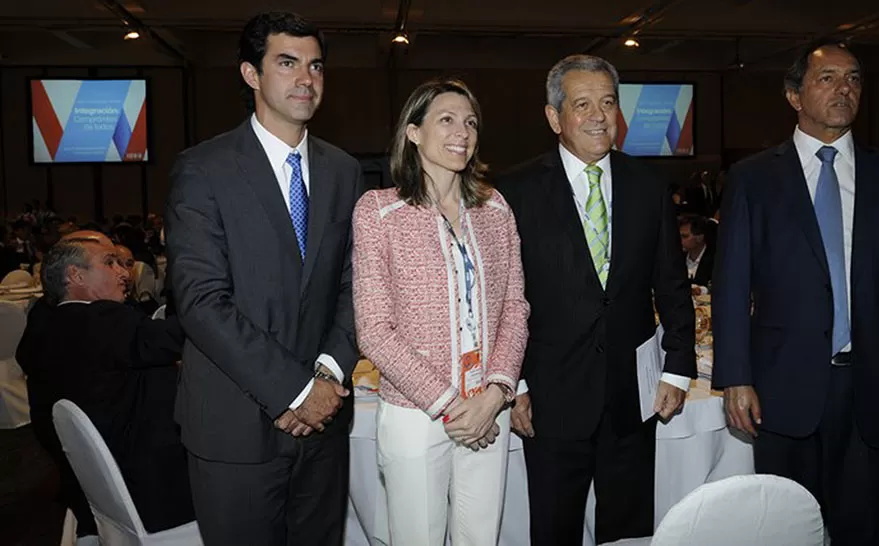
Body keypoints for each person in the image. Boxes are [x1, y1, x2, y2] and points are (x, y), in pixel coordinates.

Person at [712, 39, 879, 546]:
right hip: (781, 388)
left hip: (877, 385)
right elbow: (731, 282)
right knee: (786, 527)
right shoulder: (753, 179)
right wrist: (735, 376)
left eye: (854, 78)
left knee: (862, 528)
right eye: (827, 78)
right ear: (794, 95)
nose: (844, 88)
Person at [165, 11, 362, 545]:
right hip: (234, 428)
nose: (306, 79)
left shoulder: (343, 170)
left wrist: (325, 376)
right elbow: (202, 302)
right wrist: (294, 390)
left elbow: (354, 286)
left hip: (323, 426)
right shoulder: (203, 169)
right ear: (251, 74)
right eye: (288, 63)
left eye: (316, 66)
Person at [495, 54, 696, 545]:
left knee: (629, 531)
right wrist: (514, 382)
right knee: (554, 528)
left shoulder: (648, 185)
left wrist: (677, 367)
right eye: (582, 104)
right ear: (553, 116)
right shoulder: (513, 191)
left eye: (607, 103)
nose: (598, 115)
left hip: (634, 395)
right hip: (551, 397)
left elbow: (671, 282)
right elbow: (502, 297)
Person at [353, 78, 529, 545]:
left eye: (470, 122)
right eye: (447, 120)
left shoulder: (495, 208)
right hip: (418, 414)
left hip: (488, 410)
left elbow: (515, 307)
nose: (463, 133)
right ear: (413, 132)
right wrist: (452, 407)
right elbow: (373, 330)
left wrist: (494, 396)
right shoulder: (379, 211)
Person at [20, 235, 191, 533]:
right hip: (156, 488)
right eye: (109, 263)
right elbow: (173, 338)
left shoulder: (45, 327)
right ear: (76, 275)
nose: (124, 272)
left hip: (94, 485)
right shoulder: (98, 318)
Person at [679, 215, 714, 287]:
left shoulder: (715, 261)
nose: (679, 240)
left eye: (685, 236)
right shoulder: (676, 258)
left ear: (700, 238)